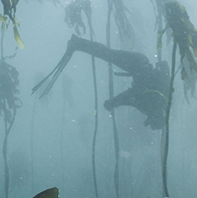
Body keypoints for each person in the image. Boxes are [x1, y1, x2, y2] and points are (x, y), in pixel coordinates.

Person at [32, 34, 170, 130]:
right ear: (155, 117)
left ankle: (78, 43)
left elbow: (133, 96)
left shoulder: (160, 102)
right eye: (153, 121)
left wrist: (114, 102)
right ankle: (78, 43)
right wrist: (113, 102)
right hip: (138, 65)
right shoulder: (152, 103)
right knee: (109, 54)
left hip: (140, 63)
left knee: (109, 54)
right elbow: (131, 97)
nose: (149, 119)